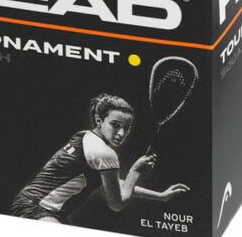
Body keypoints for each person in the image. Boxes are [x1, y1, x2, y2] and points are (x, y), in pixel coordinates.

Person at [11, 94, 189, 223]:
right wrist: (135, 171)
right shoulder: (103, 152)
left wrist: (161, 196)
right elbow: (117, 204)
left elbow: (115, 183)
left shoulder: (83, 136)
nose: (121, 133)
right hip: (36, 208)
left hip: (34, 204)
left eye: (127, 127)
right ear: (99, 120)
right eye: (115, 125)